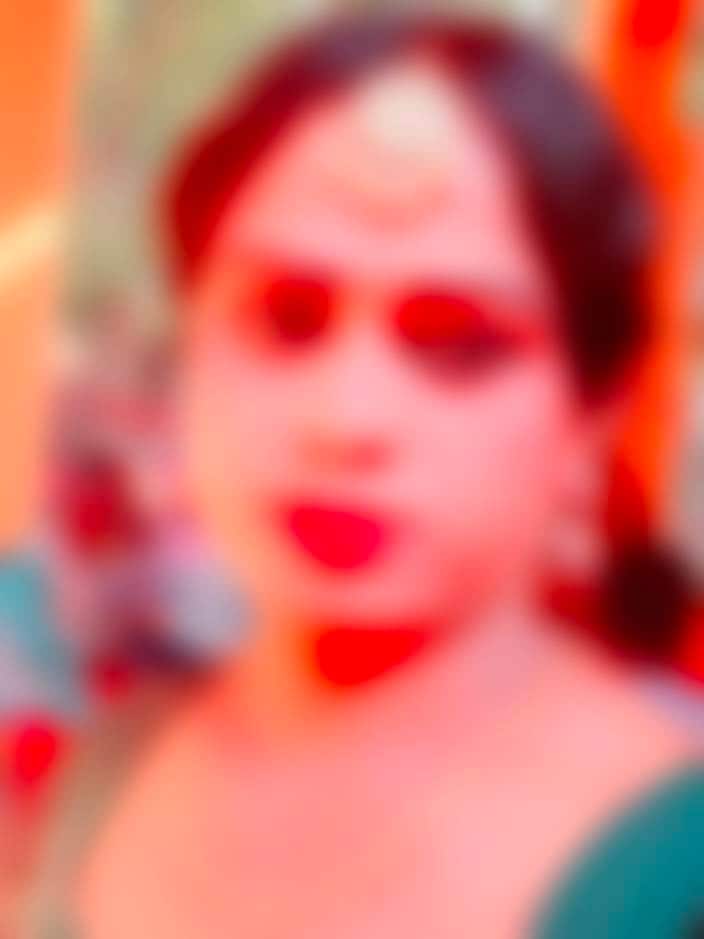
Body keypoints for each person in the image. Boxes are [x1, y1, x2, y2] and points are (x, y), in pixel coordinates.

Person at [22, 12, 704, 938]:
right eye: (284, 316)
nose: (345, 421)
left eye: (458, 341)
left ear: (594, 418)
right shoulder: (113, 766)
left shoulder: (672, 872)